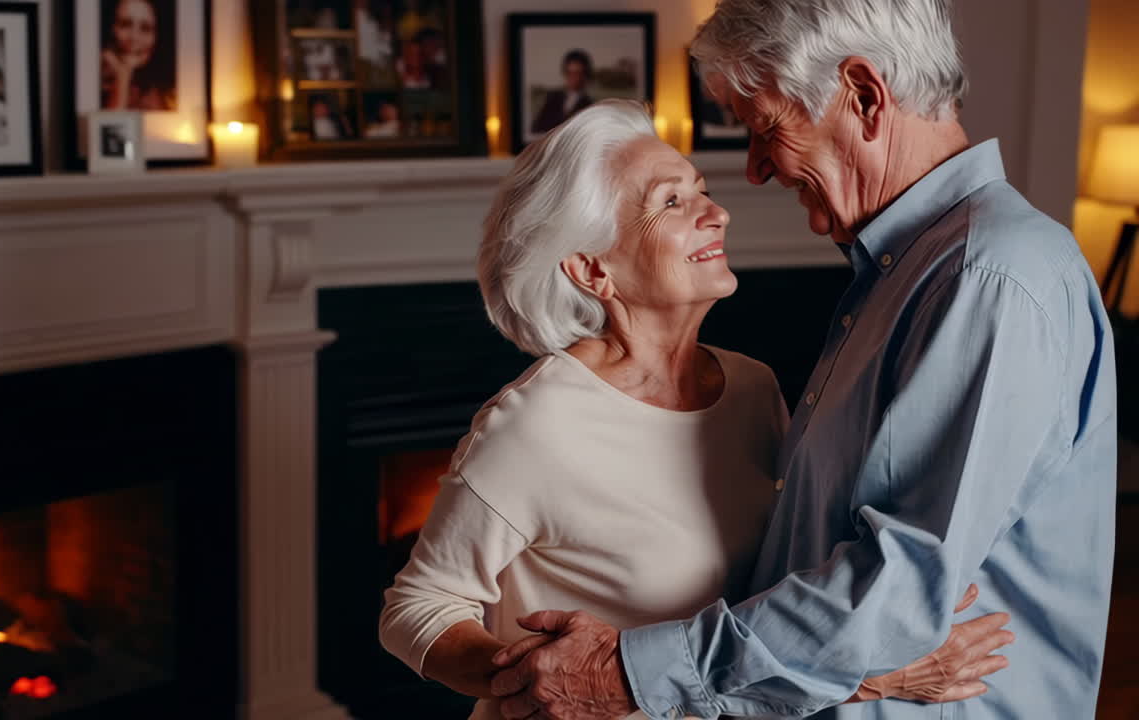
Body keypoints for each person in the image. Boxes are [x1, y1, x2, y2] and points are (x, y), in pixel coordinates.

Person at [488, 2, 1117, 719]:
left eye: (766, 129)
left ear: (864, 97)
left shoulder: (987, 276)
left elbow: (896, 595)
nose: (753, 172)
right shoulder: (902, 272)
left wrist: (628, 675)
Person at [379, 101, 1014, 720]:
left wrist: (872, 667)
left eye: (701, 191)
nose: (717, 214)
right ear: (591, 269)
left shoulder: (752, 387)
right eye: (672, 203)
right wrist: (540, 685)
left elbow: (758, 618)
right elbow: (417, 608)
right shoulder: (534, 425)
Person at [100, 0, 175, 111]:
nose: (134, 38)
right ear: (111, 28)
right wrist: (123, 76)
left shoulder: (168, 92)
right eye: (125, 24)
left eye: (145, 28)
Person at [531, 50, 594, 135]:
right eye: (569, 73)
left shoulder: (589, 106)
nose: (573, 78)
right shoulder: (552, 97)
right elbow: (536, 127)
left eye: (577, 73)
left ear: (585, 75)